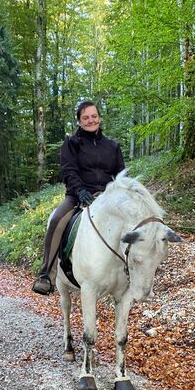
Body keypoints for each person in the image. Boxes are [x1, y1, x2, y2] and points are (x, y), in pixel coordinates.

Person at [32, 100, 126, 295]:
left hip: (108, 197)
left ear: (99, 118)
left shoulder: (113, 146)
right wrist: (80, 190)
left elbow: (121, 174)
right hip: (79, 195)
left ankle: (135, 270)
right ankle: (47, 274)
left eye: (94, 116)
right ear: (80, 122)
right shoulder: (71, 144)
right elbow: (68, 170)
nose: (91, 120)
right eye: (86, 117)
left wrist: (122, 193)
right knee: (57, 220)